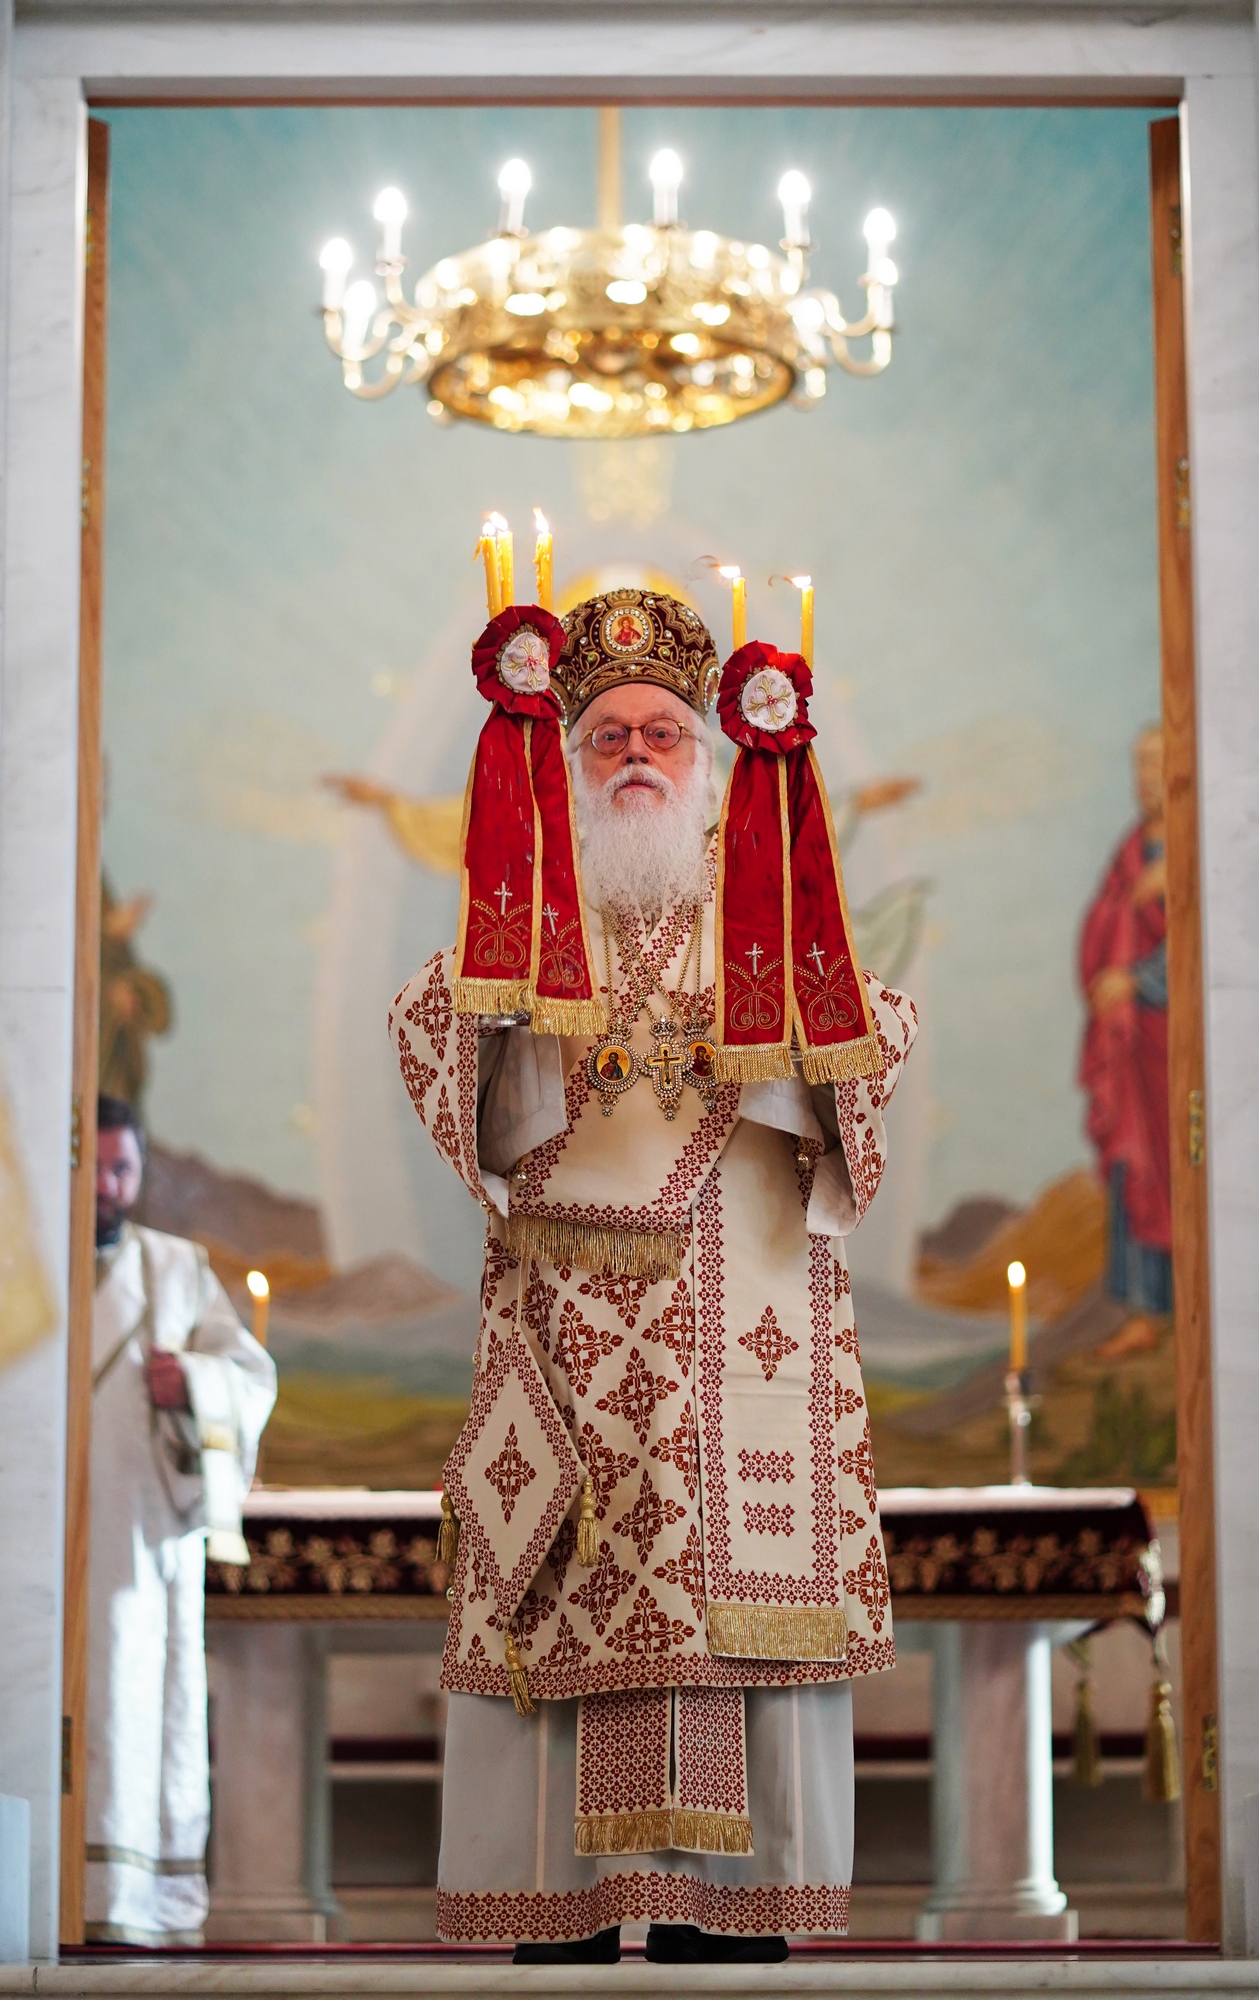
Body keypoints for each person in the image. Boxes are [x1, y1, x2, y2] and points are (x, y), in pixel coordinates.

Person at [391, 589, 916, 1961]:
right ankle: (561, 1917)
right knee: (559, 1596)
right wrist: (493, 1012)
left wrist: (788, 1037)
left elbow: (872, 1059)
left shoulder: (774, 926)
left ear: (707, 764)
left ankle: (729, 1921)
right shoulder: (520, 933)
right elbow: (443, 1069)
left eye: (662, 735)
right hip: (567, 1353)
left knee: (731, 1630)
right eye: (606, 731)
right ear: (565, 762)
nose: (634, 752)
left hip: (737, 1344)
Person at [86, 1094, 276, 1946]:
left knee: (133, 1697)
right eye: (93, 1167)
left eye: (122, 1168)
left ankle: (133, 1899)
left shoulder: (175, 1267)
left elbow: (249, 1373)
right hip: (39, 1545)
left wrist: (195, 1387)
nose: (106, 1186)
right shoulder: (26, 1273)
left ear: (140, 1171)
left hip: (139, 1540)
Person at [1078, 724, 1171, 1353]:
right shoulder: (1133, 848)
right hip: (1129, 1047)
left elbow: (1206, 942)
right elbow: (1104, 920)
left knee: (1167, 1165)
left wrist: (1137, 979)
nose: (1142, 779)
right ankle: (1143, 1307)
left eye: (1154, 766)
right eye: (1138, 766)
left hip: (1169, 1046)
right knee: (1131, 1165)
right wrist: (1110, 976)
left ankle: (1178, 1300)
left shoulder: (1192, 851)